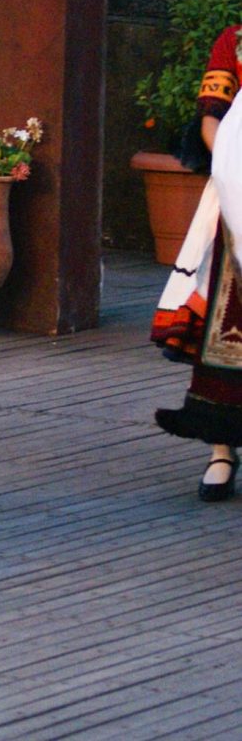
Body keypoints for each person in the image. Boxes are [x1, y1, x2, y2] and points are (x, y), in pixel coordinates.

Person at [151, 25, 242, 501]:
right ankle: (221, 449)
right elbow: (212, 118)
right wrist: (234, 163)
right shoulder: (234, 39)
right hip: (239, 199)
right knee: (229, 328)